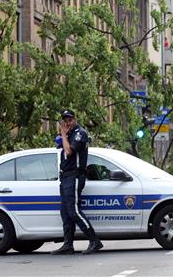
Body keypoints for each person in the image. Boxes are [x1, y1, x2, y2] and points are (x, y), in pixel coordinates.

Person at [51, 109, 103, 255]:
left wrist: (62, 133)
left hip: (74, 176)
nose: (67, 123)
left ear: (75, 119)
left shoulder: (80, 133)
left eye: (70, 120)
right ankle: (68, 244)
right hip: (66, 177)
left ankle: (94, 241)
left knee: (73, 211)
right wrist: (63, 134)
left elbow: (69, 152)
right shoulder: (69, 134)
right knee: (65, 213)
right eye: (65, 120)